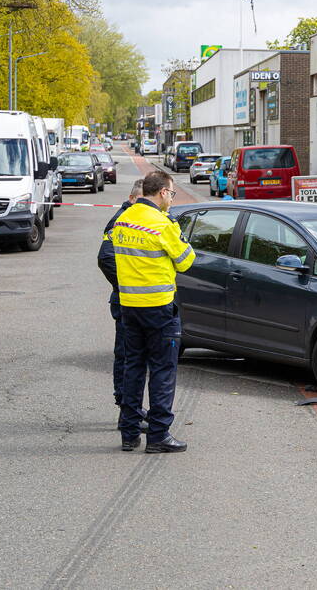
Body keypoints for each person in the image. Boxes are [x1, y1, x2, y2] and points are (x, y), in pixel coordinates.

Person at [112, 171, 195, 453]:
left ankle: (129, 433)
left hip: (129, 307)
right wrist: (181, 238)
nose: (171, 199)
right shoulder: (163, 224)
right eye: (171, 194)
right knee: (162, 370)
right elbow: (185, 262)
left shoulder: (123, 219)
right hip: (159, 307)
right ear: (161, 192)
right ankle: (158, 435)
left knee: (133, 368)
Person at [97, 179, 146, 428]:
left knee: (130, 355)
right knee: (127, 355)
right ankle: (126, 409)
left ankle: (129, 408)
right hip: (127, 299)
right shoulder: (122, 220)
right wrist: (126, 284)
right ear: (133, 198)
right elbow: (105, 257)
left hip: (132, 298)